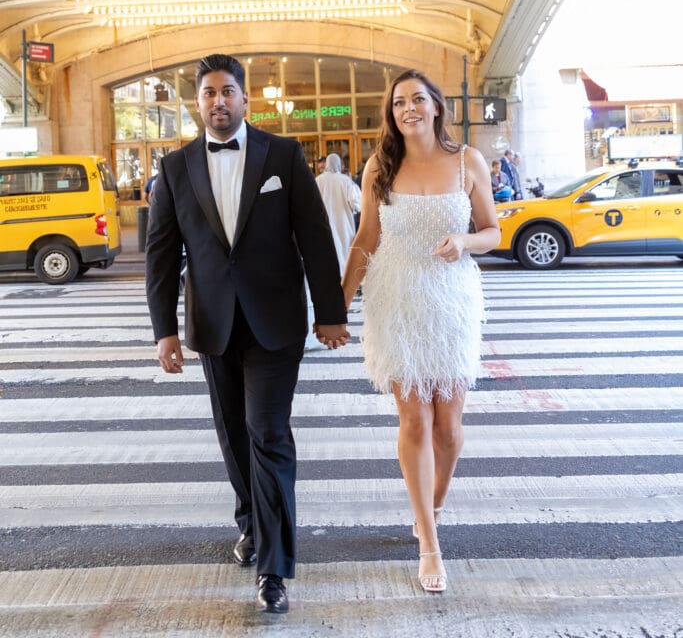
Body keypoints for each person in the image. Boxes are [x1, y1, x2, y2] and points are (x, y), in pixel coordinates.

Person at [145, 53, 349, 615]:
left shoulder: (281, 154)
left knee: (267, 432)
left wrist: (329, 312)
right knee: (234, 435)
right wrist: (164, 330)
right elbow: (162, 255)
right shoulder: (176, 166)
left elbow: (313, 235)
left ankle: (274, 568)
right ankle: (251, 524)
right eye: (208, 92)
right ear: (197, 102)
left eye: (228, 91)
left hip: (276, 323)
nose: (218, 100)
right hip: (213, 324)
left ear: (244, 99)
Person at [341, 69, 500, 594]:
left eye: (417, 99)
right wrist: (336, 306)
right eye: (398, 102)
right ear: (391, 113)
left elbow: (493, 233)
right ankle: (429, 541)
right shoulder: (379, 168)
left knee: (449, 428)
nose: (407, 108)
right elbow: (366, 237)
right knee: (415, 418)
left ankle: (430, 504)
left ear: (436, 107)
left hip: (452, 302)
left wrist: (463, 240)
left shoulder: (466, 162)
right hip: (398, 300)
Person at [315, 153, 362, 273]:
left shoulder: (318, 181)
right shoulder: (346, 181)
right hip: (343, 224)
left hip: (323, 224)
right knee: (344, 252)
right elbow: (357, 204)